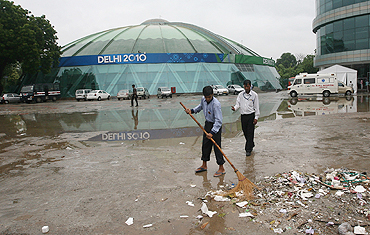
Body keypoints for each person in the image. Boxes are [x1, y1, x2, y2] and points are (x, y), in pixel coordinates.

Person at [185, 86, 225, 177]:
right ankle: (204, 165)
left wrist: (212, 132)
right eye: (206, 97)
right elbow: (200, 107)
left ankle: (221, 168)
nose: (207, 99)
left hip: (215, 127)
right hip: (207, 125)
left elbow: (219, 120)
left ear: (212, 95)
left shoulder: (216, 104)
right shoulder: (203, 100)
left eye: (209, 97)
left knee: (217, 147)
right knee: (205, 146)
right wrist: (191, 111)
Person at [231, 79, 260, 156]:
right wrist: (234, 108)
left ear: (250, 86)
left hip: (251, 115)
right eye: (245, 86)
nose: (246, 88)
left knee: (250, 133)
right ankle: (251, 143)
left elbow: (256, 107)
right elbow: (238, 104)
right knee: (245, 132)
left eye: (247, 86)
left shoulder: (254, 95)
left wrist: (256, 117)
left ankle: (248, 149)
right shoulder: (240, 95)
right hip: (243, 116)